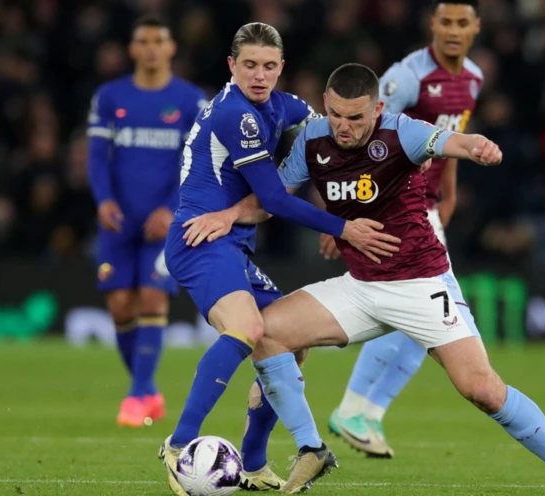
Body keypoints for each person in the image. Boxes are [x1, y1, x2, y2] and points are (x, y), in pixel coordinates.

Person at [207, 63, 545, 496]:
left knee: (482, 390)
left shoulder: (402, 132)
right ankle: (311, 449)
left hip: (422, 285)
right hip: (359, 286)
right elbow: (272, 199)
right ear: (325, 104)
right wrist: (226, 216)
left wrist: (477, 146)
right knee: (267, 334)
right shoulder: (313, 138)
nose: (343, 126)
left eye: (356, 117)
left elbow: (451, 141)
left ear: (377, 109)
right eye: (336, 113)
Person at [157, 24, 400, 496]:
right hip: (200, 238)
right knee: (248, 330)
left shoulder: (286, 106)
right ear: (232, 66)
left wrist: (405, 156)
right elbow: (273, 197)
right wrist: (342, 226)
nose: (260, 74)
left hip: (234, 242)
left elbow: (330, 141)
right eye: (249, 64)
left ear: (281, 68)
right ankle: (178, 442)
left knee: (290, 340)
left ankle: (251, 461)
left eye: (269, 66)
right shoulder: (235, 114)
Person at [326, 0, 484, 458]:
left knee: (430, 323)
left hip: (426, 208)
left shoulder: (472, 77)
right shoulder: (408, 77)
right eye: (446, 22)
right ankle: (357, 410)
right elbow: (361, 136)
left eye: (462, 23)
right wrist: (347, 215)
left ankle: (363, 412)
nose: (453, 30)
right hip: (393, 209)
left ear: (475, 28)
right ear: (432, 25)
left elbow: (449, 137)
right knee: (439, 321)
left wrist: (448, 193)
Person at [87, 15, 208, 428]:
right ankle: (148, 389)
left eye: (160, 40)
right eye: (144, 40)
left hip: (166, 221)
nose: (152, 47)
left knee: (154, 298)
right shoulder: (109, 96)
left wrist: (174, 207)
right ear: (133, 49)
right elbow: (95, 157)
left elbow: (197, 163)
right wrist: (103, 201)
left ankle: (137, 396)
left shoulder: (192, 101)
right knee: (121, 306)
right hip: (119, 221)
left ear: (171, 48)